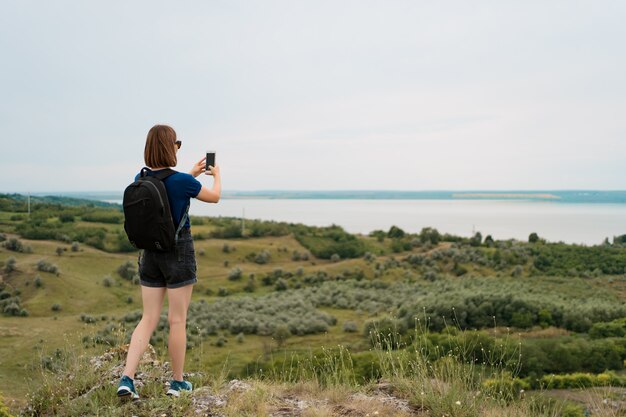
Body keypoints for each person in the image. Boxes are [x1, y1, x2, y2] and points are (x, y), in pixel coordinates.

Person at [117, 124, 221, 399]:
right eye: (177, 144)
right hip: (178, 253)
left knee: (148, 318)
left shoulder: (140, 179)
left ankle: (127, 379)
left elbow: (165, 189)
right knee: (177, 321)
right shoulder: (182, 182)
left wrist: (191, 174)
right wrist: (215, 176)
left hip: (149, 254)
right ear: (170, 147)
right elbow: (215, 198)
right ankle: (177, 383)